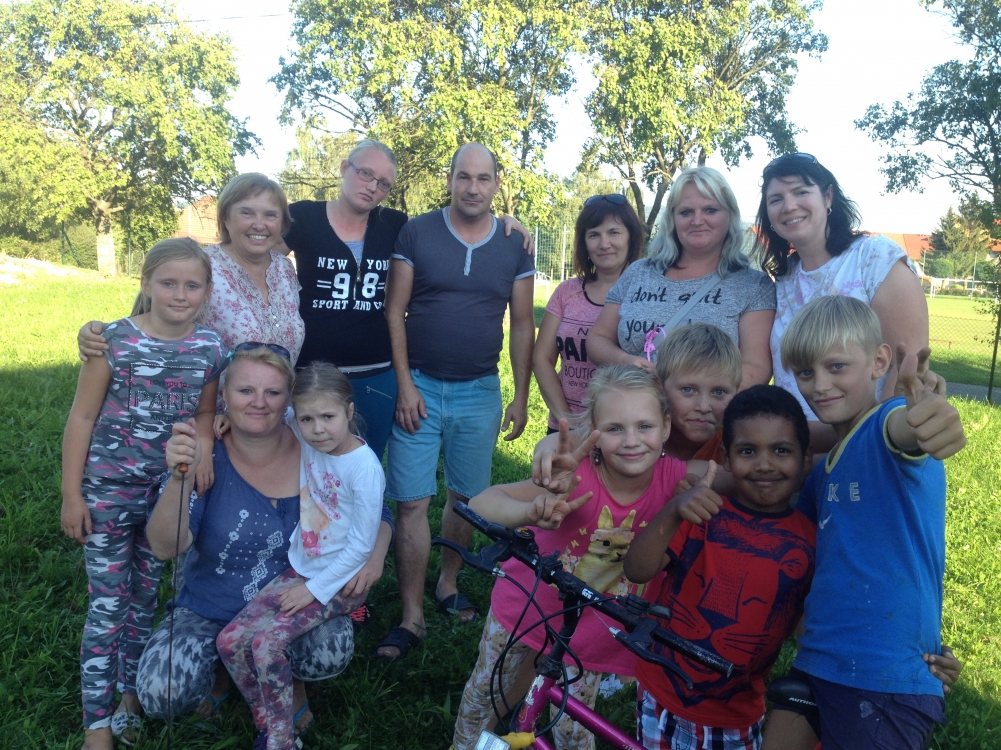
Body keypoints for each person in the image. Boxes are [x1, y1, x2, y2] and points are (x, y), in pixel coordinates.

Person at [452, 365, 714, 750]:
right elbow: (482, 502)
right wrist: (530, 512)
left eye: (644, 426)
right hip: (523, 608)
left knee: (573, 727)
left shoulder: (678, 480)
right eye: (614, 428)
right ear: (592, 432)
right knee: (484, 695)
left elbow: (743, 470)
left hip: (594, 630)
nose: (631, 441)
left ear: (666, 427)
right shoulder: (576, 476)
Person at [137, 346, 393, 737]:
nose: (259, 403)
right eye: (245, 391)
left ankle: (290, 684)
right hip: (211, 603)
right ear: (224, 394)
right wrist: (179, 478)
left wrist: (374, 556)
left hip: (291, 594)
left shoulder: (313, 439)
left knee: (328, 651)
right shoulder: (206, 454)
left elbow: (374, 510)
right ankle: (228, 673)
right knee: (162, 694)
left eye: (272, 393)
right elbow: (163, 547)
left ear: (288, 399)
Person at [767, 295, 965, 750]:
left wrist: (927, 419)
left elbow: (907, 431)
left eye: (836, 367)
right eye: (805, 373)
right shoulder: (821, 473)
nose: (820, 385)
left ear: (879, 362)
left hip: (882, 677)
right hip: (818, 659)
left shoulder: (883, 426)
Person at [60, 238, 228, 750]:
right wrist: (71, 495)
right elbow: (82, 417)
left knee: (145, 600)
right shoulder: (113, 341)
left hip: (164, 497)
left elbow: (205, 412)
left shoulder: (210, 349)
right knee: (108, 606)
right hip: (106, 495)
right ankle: (96, 726)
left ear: (207, 291)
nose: (180, 294)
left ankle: (129, 700)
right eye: (168, 283)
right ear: (146, 283)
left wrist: (203, 451)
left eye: (192, 285)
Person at [277, 139, 534, 462]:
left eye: (383, 183)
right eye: (364, 173)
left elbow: (464, 223)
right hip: (312, 371)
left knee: (366, 467)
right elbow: (259, 258)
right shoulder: (304, 217)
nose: (372, 186)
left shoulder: (394, 224)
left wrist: (508, 221)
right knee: (303, 467)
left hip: (375, 373)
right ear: (344, 168)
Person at [378, 143, 536, 659]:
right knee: (411, 501)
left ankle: (448, 583)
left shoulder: (515, 244)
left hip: (480, 390)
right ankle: (411, 614)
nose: (472, 187)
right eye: (463, 177)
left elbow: (523, 324)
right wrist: (404, 384)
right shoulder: (417, 232)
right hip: (419, 386)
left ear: (496, 184)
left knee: (466, 499)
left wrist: (520, 395)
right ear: (449, 180)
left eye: (483, 178)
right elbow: (394, 310)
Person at [625, 385, 815, 750]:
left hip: (736, 715)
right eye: (748, 451)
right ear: (726, 458)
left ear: (806, 459)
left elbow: (810, 629)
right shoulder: (702, 512)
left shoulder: (811, 541)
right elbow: (637, 569)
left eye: (781, 450)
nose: (764, 464)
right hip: (661, 691)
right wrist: (675, 509)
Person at [216, 363, 383, 750]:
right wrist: (223, 417)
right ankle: (270, 719)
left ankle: (282, 740)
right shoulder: (305, 433)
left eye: (328, 417)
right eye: (308, 419)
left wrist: (313, 590)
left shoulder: (364, 469)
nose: (318, 428)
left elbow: (362, 546)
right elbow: (271, 412)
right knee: (229, 641)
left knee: (267, 644)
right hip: (301, 570)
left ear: (349, 412)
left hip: (340, 583)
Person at [77, 172, 304, 389]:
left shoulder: (284, 268)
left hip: (275, 408)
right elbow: (149, 324)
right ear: (225, 217)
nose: (259, 224)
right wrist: (101, 334)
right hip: (206, 409)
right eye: (247, 213)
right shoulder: (200, 266)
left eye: (270, 215)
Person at [755, 152, 929, 422]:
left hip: (864, 440)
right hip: (794, 443)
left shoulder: (875, 258)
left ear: (828, 197)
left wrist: (880, 435)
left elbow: (907, 363)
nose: (788, 206)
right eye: (776, 199)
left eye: (801, 192)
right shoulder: (783, 279)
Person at [587, 167, 775, 389]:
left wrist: (694, 396)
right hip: (635, 407)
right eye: (686, 212)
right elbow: (598, 339)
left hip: (706, 410)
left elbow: (756, 367)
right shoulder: (639, 273)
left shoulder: (754, 286)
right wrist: (625, 361)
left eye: (710, 210)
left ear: (730, 215)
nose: (697, 220)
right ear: (672, 219)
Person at [534, 194, 643, 433]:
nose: (604, 244)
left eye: (614, 232)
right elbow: (542, 358)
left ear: (631, 236)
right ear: (584, 242)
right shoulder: (566, 292)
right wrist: (567, 421)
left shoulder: (648, 295)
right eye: (594, 234)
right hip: (568, 430)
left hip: (625, 433)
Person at [655, 323, 741, 463]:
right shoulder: (635, 440)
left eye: (719, 392)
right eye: (688, 390)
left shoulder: (742, 447)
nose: (703, 407)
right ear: (660, 387)